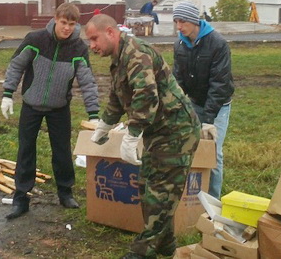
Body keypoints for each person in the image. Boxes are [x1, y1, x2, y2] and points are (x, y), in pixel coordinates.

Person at [85, 14, 200, 259]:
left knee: (160, 193)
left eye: (94, 38)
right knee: (148, 189)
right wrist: (104, 125)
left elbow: (147, 95)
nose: (92, 45)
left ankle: (141, 252)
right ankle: (167, 247)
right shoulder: (119, 59)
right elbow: (118, 97)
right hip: (158, 132)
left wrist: (132, 134)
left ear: (110, 32)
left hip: (177, 131)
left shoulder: (136, 53)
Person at [0, 3, 100, 220]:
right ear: (56, 19)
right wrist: (8, 93)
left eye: (72, 24)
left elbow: (87, 82)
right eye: (64, 23)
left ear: (76, 25)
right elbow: (16, 65)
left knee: (62, 151)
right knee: (26, 150)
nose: (67, 28)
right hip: (31, 105)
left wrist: (94, 114)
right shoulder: (35, 40)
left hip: (59, 108)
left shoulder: (79, 49)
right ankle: (21, 198)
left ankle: (65, 193)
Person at [172, 2, 234, 200]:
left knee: (213, 151)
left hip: (218, 105)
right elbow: (177, 80)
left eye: (182, 21)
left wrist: (208, 120)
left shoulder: (217, 43)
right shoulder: (179, 44)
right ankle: (191, 197)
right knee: (189, 147)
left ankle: (213, 201)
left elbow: (220, 84)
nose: (178, 27)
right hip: (194, 102)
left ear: (193, 20)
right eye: (176, 21)